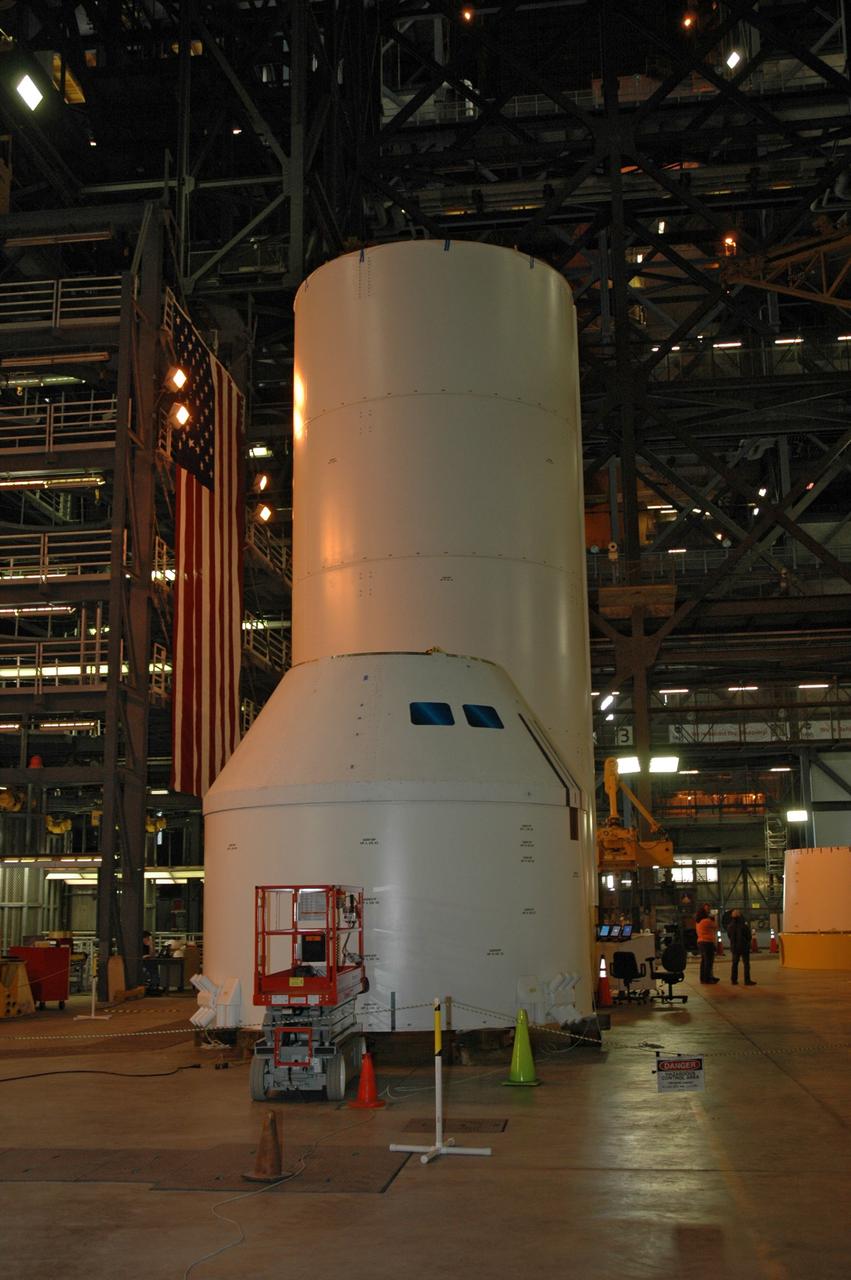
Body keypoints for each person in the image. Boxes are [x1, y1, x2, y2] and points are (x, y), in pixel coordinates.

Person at [727, 910, 756, 986]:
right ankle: (747, 980)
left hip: (734, 947)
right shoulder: (744, 925)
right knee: (746, 964)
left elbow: (729, 936)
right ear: (740, 916)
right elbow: (749, 936)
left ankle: (734, 980)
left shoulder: (730, 926)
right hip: (744, 947)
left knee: (734, 964)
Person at [696, 910, 720, 984]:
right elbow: (716, 926)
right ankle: (708, 979)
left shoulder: (698, 922)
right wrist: (716, 917)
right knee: (709, 962)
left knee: (704, 961)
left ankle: (703, 978)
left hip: (700, 942)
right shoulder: (706, 921)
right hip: (707, 942)